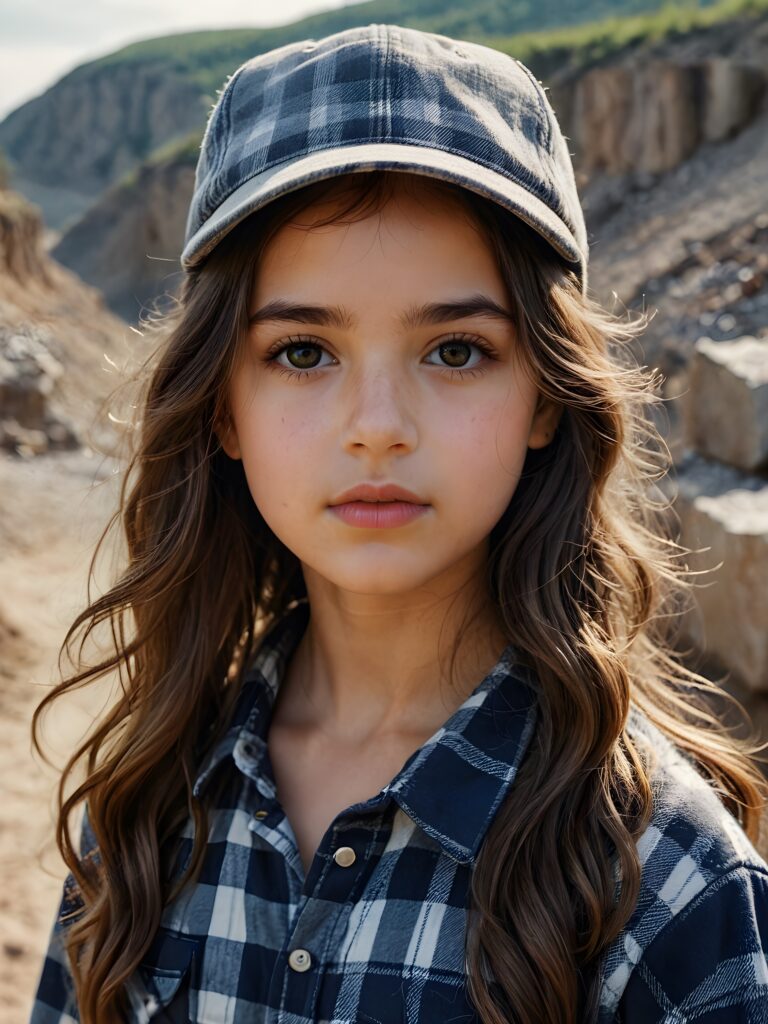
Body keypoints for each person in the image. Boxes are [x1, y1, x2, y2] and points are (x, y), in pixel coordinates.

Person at [27, 23, 768, 1024]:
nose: (377, 427)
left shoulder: (660, 882)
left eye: (456, 350)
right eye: (301, 352)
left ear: (546, 396)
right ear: (222, 406)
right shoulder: (141, 821)